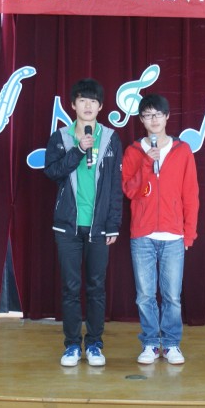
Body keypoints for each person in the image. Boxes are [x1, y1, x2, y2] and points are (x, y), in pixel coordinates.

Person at [43, 78, 123, 367]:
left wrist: (113, 224)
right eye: (82, 100)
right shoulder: (61, 137)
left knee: (96, 287)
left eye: (93, 101)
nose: (88, 106)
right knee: (70, 288)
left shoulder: (111, 138)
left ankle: (95, 344)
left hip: (99, 227)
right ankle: (72, 346)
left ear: (100, 107)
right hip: (68, 226)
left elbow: (115, 185)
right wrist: (78, 150)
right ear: (73, 105)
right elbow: (52, 172)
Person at [122, 94, 199, 365]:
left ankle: (172, 343)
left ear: (167, 117)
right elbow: (130, 191)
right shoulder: (133, 151)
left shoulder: (183, 151)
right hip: (142, 235)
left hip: (173, 235)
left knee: (172, 296)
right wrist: (146, 162)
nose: (153, 120)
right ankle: (150, 344)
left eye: (157, 114)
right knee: (145, 295)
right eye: (147, 115)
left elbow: (191, 194)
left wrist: (189, 232)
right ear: (141, 120)